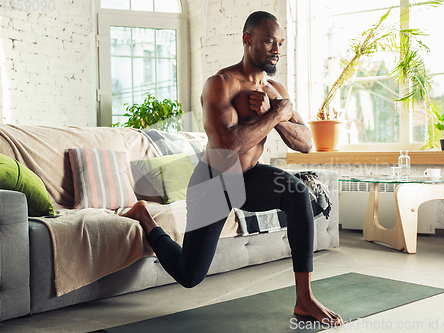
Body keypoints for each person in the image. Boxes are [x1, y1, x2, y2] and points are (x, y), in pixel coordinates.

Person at [123, 10, 343, 327]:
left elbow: (306, 143)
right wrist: (273, 116)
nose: (277, 50)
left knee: (296, 192)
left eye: (280, 43)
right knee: (189, 275)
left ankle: (304, 299)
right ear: (247, 39)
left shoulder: (277, 90)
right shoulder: (220, 85)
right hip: (214, 180)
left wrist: (277, 115)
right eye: (269, 41)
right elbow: (228, 145)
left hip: (250, 176)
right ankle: (145, 217)